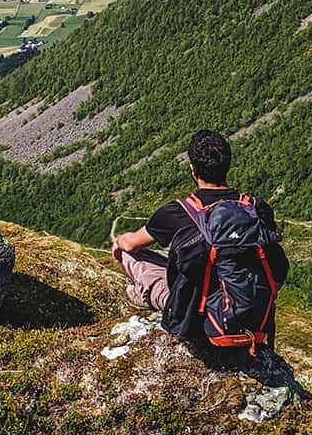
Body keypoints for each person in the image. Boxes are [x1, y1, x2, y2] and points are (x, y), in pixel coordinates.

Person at [111, 129, 287, 347]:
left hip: (196, 322)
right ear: (227, 165)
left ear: (193, 170)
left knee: (131, 256)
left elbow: (131, 243)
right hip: (250, 316)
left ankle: (140, 294)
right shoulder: (257, 209)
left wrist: (118, 240)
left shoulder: (177, 211)